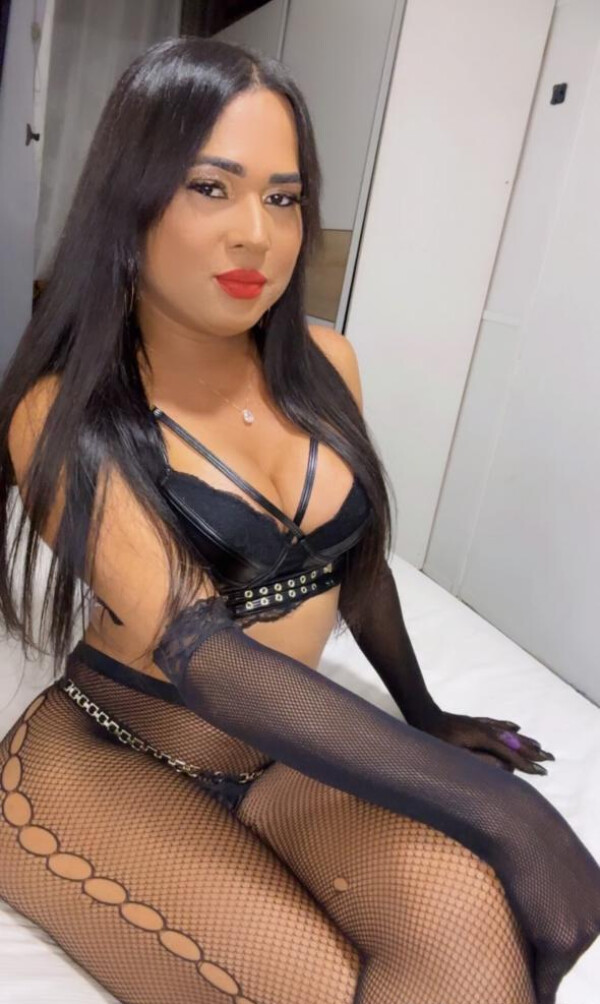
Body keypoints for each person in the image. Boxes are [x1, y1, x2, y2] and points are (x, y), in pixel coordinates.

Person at [0, 37, 598, 1004]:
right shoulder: (63, 414)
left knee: (472, 937)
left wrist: (426, 716)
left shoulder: (327, 365)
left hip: (289, 743)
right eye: (211, 188)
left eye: (283, 198)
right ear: (129, 200)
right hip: (112, 753)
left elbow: (355, 567)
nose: (258, 235)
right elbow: (199, 650)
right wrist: (505, 813)